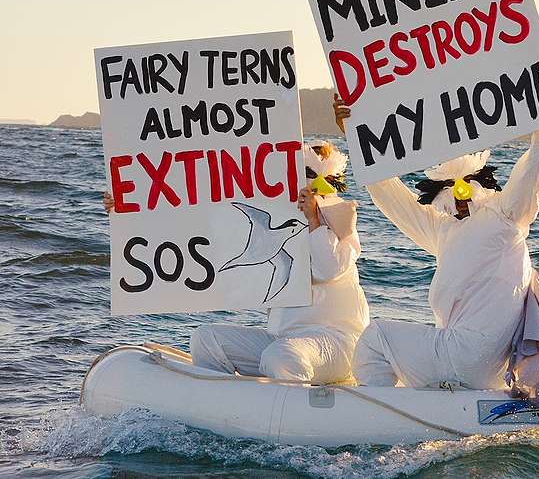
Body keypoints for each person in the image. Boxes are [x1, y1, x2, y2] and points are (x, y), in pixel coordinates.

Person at [335, 54, 539, 392]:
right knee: (398, 340)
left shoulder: (505, 213)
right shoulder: (441, 228)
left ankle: (383, 415)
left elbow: (535, 171)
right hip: (486, 361)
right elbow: (391, 197)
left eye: (464, 186)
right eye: (448, 188)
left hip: (470, 355)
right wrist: (357, 134)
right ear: (436, 191)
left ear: (481, 182)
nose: (458, 195)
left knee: (375, 338)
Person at [103, 141, 369, 384]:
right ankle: (224, 412)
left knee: (281, 357)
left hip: (337, 342)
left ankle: (292, 423)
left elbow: (328, 268)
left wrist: (313, 220)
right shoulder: (272, 216)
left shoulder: (341, 221)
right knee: (206, 340)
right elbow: (198, 221)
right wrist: (131, 206)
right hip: (282, 339)